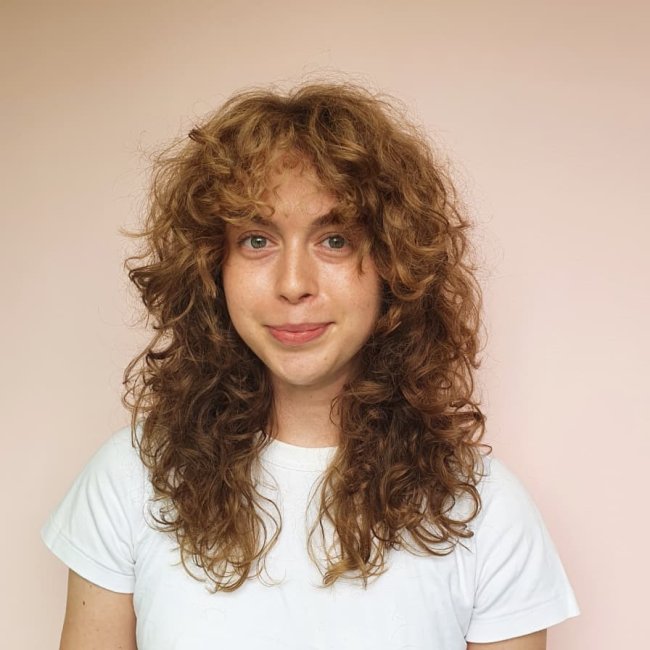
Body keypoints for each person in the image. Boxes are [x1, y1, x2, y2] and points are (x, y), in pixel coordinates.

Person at [41, 81, 579, 649]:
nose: (293, 284)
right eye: (256, 240)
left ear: (395, 265)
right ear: (211, 267)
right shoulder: (130, 477)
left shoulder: (485, 510)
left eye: (335, 240)